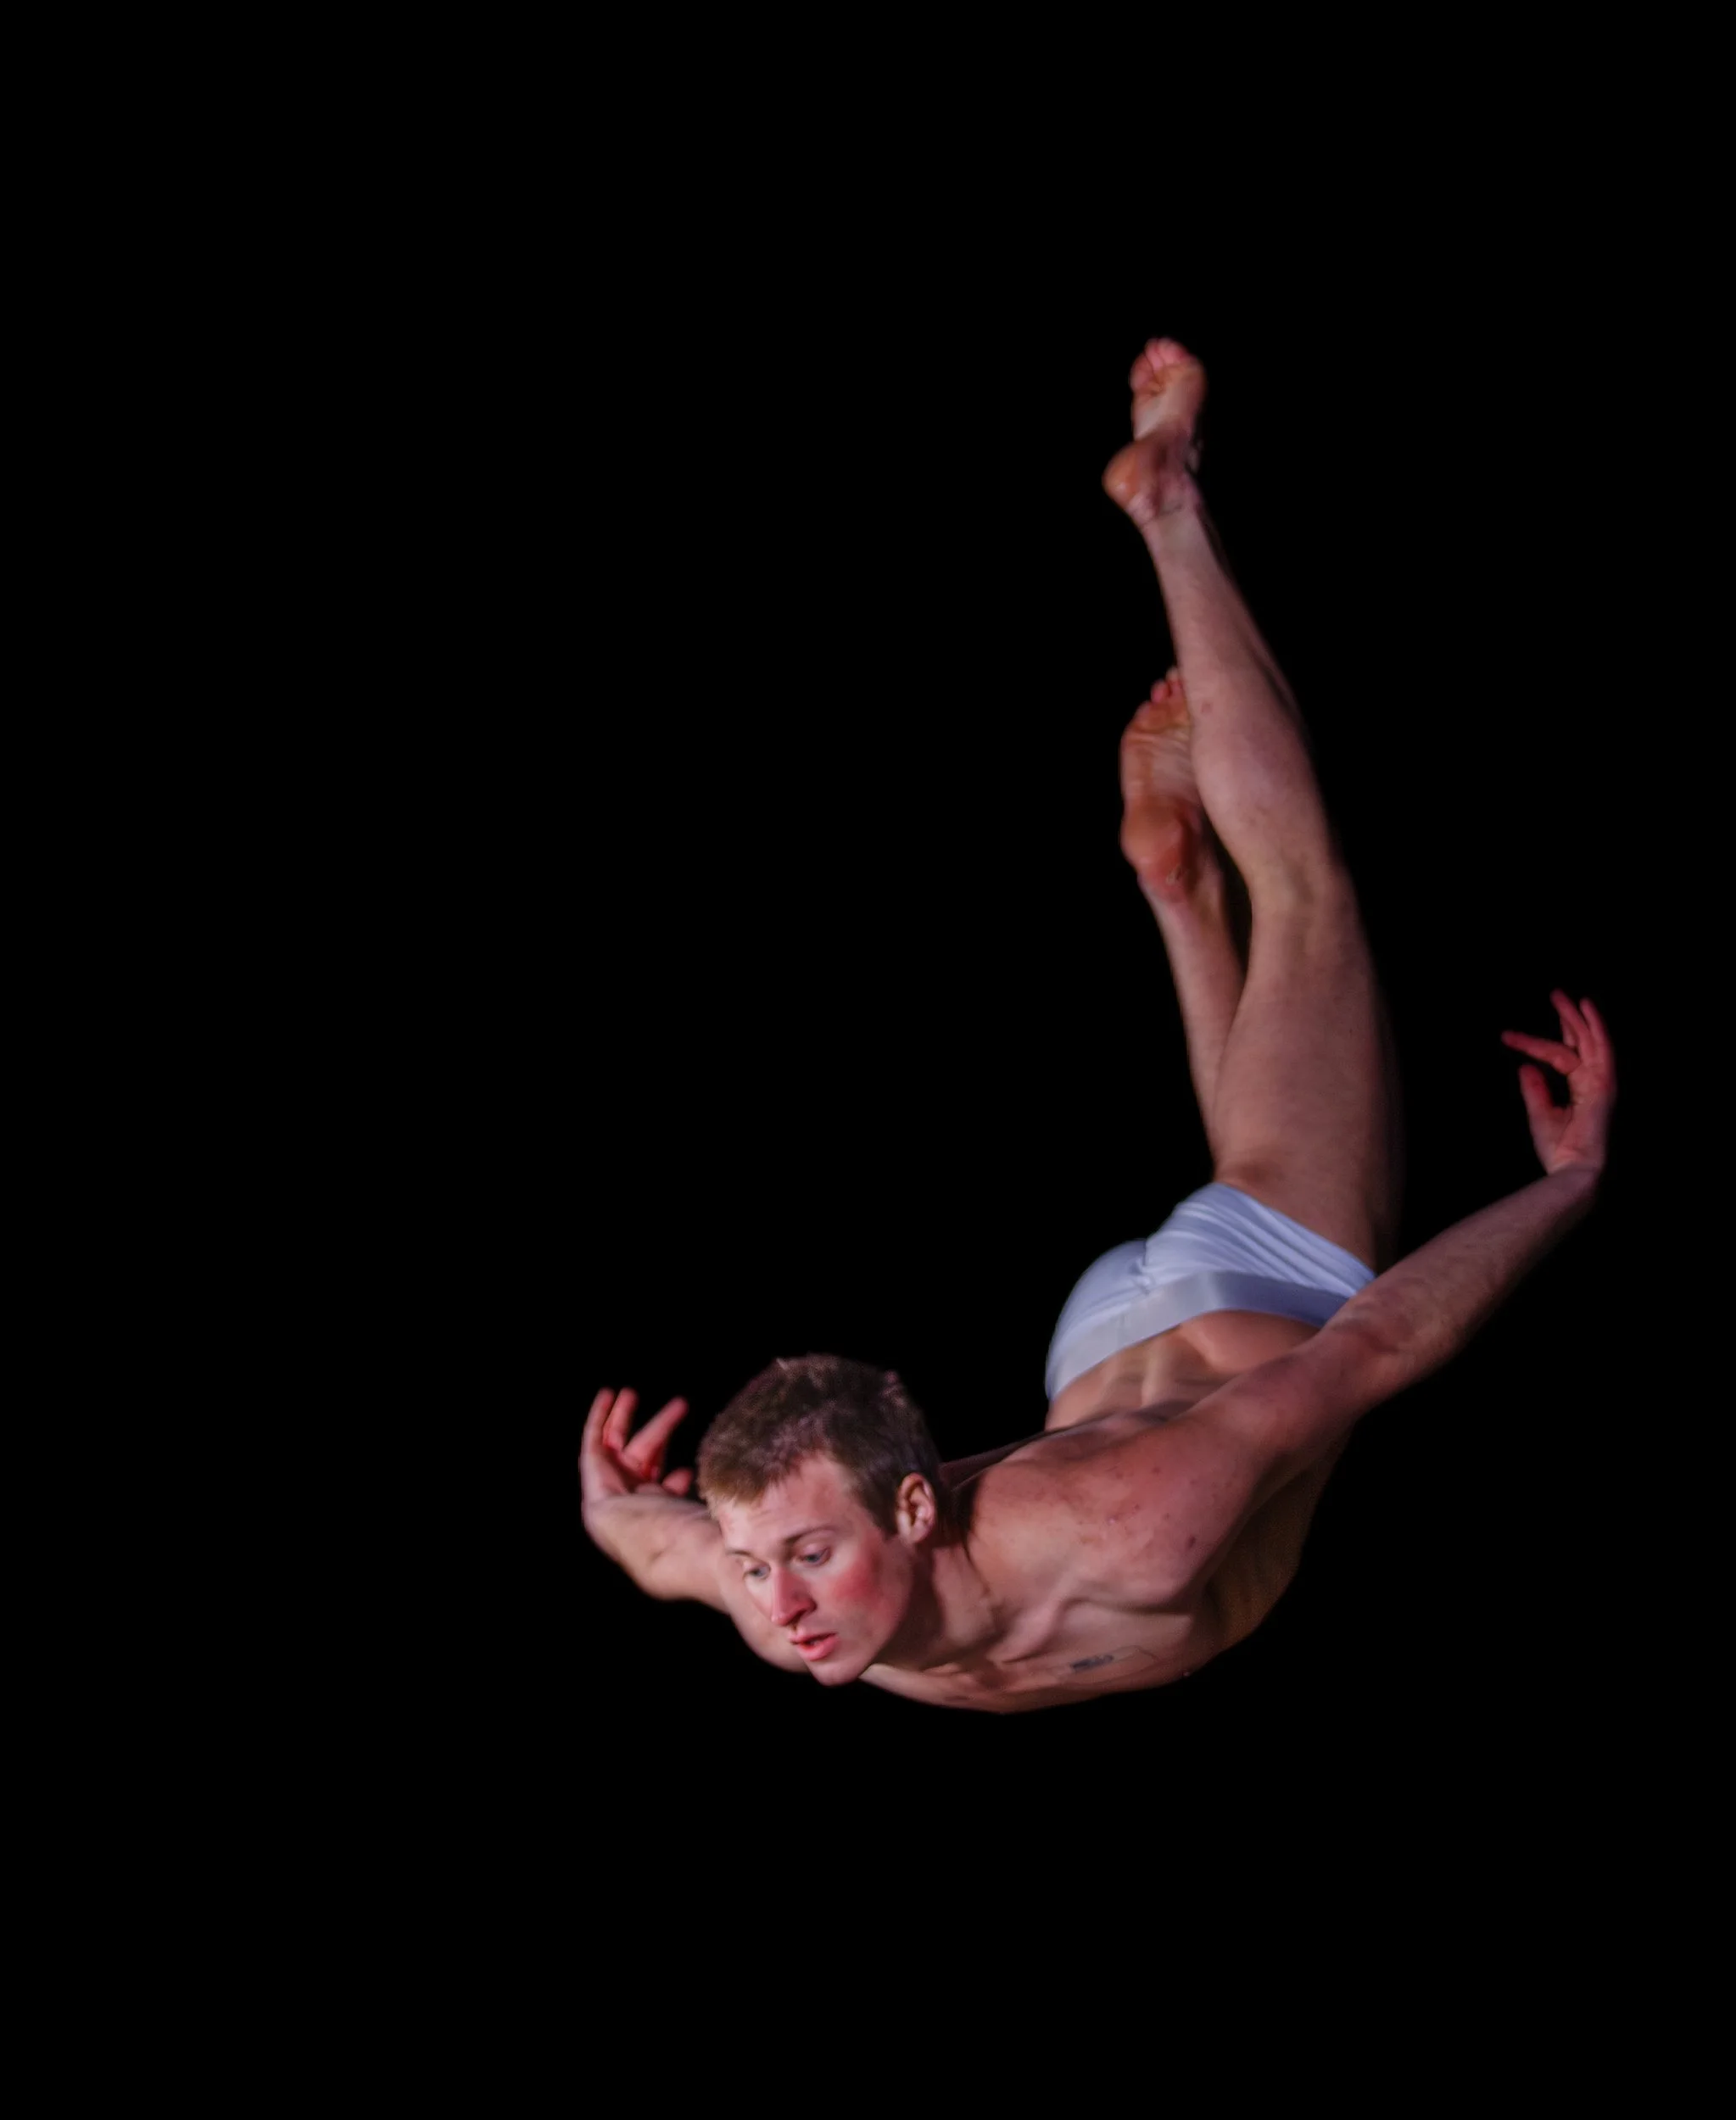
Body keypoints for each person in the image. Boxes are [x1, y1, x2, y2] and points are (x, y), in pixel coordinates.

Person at [578, 338, 1616, 1710]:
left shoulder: (1138, 1521)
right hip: (1108, 1362)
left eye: (808, 1558)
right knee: (1253, 1145)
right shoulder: (768, 1579)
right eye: (760, 1564)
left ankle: (1166, 505)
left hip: (1211, 1348)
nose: (781, 1606)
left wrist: (1574, 1185)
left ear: (906, 1513)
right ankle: (1177, 891)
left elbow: (1376, 1343)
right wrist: (612, 1507)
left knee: (1307, 903)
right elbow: (651, 1543)